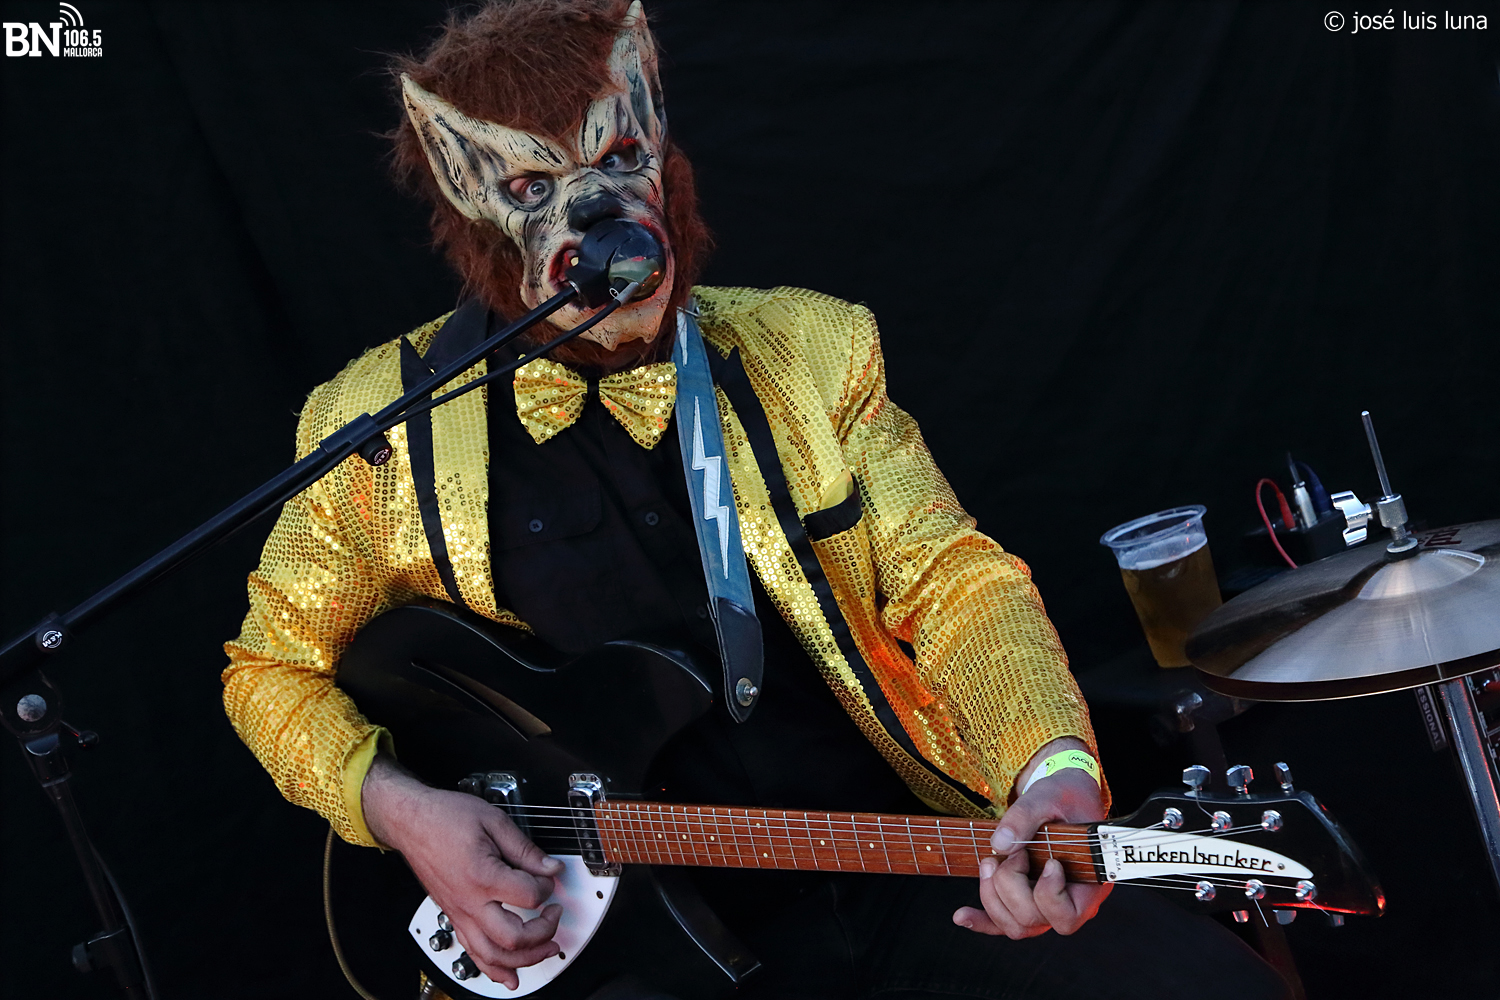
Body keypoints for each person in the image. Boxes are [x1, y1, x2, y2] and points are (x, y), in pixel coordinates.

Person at [222, 2, 1288, 997]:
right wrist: (399, 809)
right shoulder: (378, 430)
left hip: (894, 865)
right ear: (474, 206)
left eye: (621, 160)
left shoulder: (812, 348)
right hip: (623, 950)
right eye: (537, 186)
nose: (602, 215)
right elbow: (269, 671)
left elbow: (951, 576)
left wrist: (1052, 765)